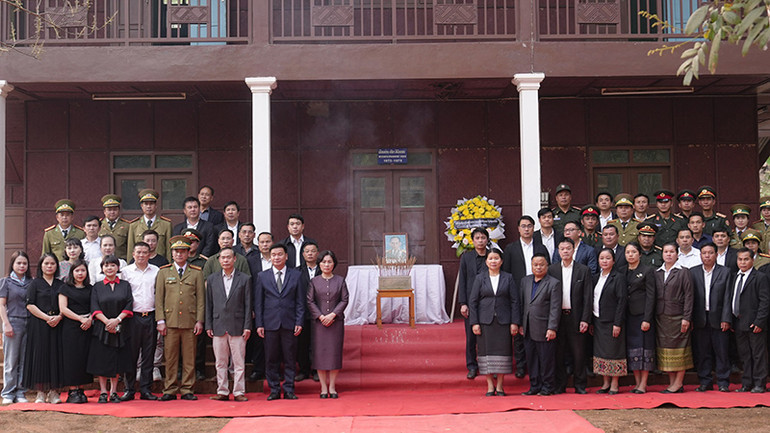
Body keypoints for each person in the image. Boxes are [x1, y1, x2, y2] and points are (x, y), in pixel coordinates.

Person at [155, 235, 205, 401]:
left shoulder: (197, 273)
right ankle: (169, 389)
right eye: (176, 251)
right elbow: (159, 299)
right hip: (170, 322)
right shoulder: (163, 272)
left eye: (183, 251)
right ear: (172, 253)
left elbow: (200, 300)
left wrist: (199, 320)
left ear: (188, 253)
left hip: (190, 322)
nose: (179, 254)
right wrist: (160, 320)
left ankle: (187, 389)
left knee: (189, 357)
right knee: (170, 358)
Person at [254, 243, 305, 400]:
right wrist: (259, 324)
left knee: (290, 357)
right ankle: (274, 389)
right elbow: (259, 303)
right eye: (274, 255)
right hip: (270, 324)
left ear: (286, 256)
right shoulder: (263, 276)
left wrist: (299, 321)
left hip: (290, 323)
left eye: (280, 254)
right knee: (271, 358)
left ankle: (289, 388)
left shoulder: (296, 275)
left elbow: (300, 301)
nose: (277, 257)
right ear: (270, 258)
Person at [503, 216, 549, 378]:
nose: (527, 229)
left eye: (529, 226)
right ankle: (521, 365)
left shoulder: (541, 247)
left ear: (533, 227)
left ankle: (537, 366)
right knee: (520, 329)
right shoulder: (510, 248)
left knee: (537, 329)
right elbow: (507, 273)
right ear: (518, 229)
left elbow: (547, 268)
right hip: (519, 292)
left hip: (540, 290)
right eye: (523, 226)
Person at [469, 248, 519, 397]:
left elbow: (515, 301)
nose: (493, 261)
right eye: (490, 259)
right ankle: (490, 386)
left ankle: (500, 386)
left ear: (501, 261)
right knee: (486, 354)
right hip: (485, 321)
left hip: (504, 321)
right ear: (486, 262)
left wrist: (514, 322)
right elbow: (473, 302)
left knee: (503, 353)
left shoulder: (508, 278)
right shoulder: (480, 278)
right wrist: (474, 322)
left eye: (496, 258)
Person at [206, 247, 253, 402]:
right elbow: (209, 304)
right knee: (220, 362)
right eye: (223, 258)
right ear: (219, 260)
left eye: (228, 257)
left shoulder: (244, 278)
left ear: (235, 259)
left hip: (238, 325)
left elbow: (248, 304)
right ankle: (223, 391)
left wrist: (247, 326)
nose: (225, 260)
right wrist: (209, 325)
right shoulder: (212, 279)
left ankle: (239, 392)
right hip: (218, 325)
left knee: (239, 362)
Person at [548, 238, 592, 395]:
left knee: (579, 353)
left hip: (576, 316)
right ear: (558, 251)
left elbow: (588, 297)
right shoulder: (552, 270)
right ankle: (560, 384)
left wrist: (585, 319)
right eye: (562, 249)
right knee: (558, 353)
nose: (565, 251)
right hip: (558, 317)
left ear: (573, 250)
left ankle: (580, 384)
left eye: (568, 248)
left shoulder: (583, 270)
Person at [87, 255, 133, 404]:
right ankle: (103, 392)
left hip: (121, 326)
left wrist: (117, 320)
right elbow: (94, 307)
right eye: (106, 265)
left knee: (117, 361)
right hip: (102, 328)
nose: (109, 268)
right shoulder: (97, 287)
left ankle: (113, 392)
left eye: (113, 265)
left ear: (118, 267)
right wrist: (108, 322)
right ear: (102, 268)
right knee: (102, 360)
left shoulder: (125, 285)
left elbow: (129, 304)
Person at [689, 243, 733, 392]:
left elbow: (728, 297)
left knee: (721, 352)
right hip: (700, 318)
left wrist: (726, 318)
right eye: (704, 253)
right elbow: (690, 298)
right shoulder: (693, 272)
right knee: (703, 352)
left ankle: (723, 381)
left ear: (716, 255)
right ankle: (705, 381)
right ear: (700, 255)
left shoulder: (725, 272)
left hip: (719, 318)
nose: (707, 256)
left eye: (710, 253)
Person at [120, 242, 160, 401]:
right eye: (138, 252)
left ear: (149, 254)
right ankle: (129, 389)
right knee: (130, 355)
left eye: (145, 252)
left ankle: (145, 389)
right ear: (133, 254)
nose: (142, 255)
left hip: (150, 316)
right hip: (131, 317)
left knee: (148, 355)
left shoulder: (156, 271)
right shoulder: (126, 271)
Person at [307, 250, 349, 399]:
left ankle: (332, 386)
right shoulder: (314, 281)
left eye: (329, 262)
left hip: (336, 322)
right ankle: (323, 388)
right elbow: (310, 301)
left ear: (334, 264)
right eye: (324, 262)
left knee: (334, 354)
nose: (326, 264)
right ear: (319, 264)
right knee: (320, 354)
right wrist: (320, 316)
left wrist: (333, 315)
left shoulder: (340, 280)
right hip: (319, 324)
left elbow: (344, 299)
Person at [517, 252, 561, 396]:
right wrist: (521, 324)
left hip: (544, 328)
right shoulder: (525, 281)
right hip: (528, 327)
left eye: (541, 264)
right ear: (531, 266)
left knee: (546, 359)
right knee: (532, 359)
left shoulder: (553, 283)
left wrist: (552, 328)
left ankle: (548, 387)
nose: (538, 267)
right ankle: (534, 386)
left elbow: (555, 307)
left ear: (547, 266)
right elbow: (522, 304)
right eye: (535, 265)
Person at [24, 253, 64, 404]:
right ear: (41, 265)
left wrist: (59, 316)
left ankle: (54, 392)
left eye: (52, 263)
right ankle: (40, 392)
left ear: (56, 266)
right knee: (40, 356)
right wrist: (47, 318)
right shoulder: (35, 284)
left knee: (55, 355)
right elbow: (30, 305)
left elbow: (65, 305)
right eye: (46, 263)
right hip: (39, 324)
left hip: (57, 324)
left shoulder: (61, 284)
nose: (49, 266)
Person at [654, 243, 694, 393]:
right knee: (667, 352)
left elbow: (689, 296)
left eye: (672, 252)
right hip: (661, 318)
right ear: (662, 254)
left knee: (680, 350)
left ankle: (678, 382)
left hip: (678, 317)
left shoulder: (684, 272)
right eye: (666, 252)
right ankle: (672, 383)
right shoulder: (657, 272)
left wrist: (687, 317)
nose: (669, 254)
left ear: (677, 254)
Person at [729, 248, 770, 393]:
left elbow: (765, 302)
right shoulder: (734, 276)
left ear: (752, 260)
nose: (742, 262)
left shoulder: (760, 277)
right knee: (745, 355)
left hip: (754, 323)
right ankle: (747, 383)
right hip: (739, 322)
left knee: (758, 355)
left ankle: (760, 383)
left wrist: (759, 321)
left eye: (746, 259)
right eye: (740, 259)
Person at [620, 243, 656, 394]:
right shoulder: (622, 271)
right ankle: (636, 383)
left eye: (633, 252)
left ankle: (643, 383)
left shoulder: (647, 271)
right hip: (628, 315)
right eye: (628, 252)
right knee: (633, 350)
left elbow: (651, 296)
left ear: (640, 254)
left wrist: (647, 318)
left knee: (644, 349)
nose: (630, 255)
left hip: (642, 315)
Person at [591, 248, 627, 394]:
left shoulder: (618, 277)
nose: (604, 261)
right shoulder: (595, 277)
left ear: (613, 261)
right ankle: (605, 383)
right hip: (599, 320)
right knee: (601, 352)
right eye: (602, 258)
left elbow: (621, 302)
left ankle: (614, 383)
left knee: (614, 352)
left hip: (612, 321)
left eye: (607, 258)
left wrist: (617, 323)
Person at [58, 260, 93, 403]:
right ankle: (72, 390)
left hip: (87, 327)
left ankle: (81, 389)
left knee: (84, 358)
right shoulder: (65, 288)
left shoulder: (91, 288)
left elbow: (96, 305)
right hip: (71, 327)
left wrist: (90, 319)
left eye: (83, 270)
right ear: (72, 272)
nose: (80, 273)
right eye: (77, 271)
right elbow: (63, 309)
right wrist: (80, 319)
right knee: (71, 359)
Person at [0, 251, 32, 404]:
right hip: (13, 321)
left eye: (24, 263)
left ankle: (20, 391)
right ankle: (8, 392)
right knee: (11, 360)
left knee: (24, 359)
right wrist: (6, 324)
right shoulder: (6, 282)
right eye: (18, 263)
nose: (21, 266)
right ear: (12, 264)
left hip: (29, 322)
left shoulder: (31, 282)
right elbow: (1, 304)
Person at [458, 227, 489, 380]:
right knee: (471, 337)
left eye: (483, 238)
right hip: (471, 302)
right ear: (473, 240)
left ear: (487, 240)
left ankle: (489, 366)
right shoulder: (466, 257)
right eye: (477, 238)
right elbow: (462, 281)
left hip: (489, 302)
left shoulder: (493, 256)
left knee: (488, 336)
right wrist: (463, 303)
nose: (480, 241)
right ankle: (471, 366)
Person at [127, 189, 173, 261]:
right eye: (146, 204)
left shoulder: (166, 225)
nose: (148, 206)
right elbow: (130, 249)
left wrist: (169, 266)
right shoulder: (134, 225)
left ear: (156, 205)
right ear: (142, 206)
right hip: (140, 263)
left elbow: (169, 249)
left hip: (160, 263)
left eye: (151, 204)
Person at [296, 241, 320, 382]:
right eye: (307, 251)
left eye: (313, 251)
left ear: (317, 253)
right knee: (302, 343)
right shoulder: (297, 272)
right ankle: (303, 370)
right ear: (303, 254)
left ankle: (317, 369)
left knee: (317, 343)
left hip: (319, 313)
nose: (310, 254)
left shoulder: (324, 270)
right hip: (303, 312)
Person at [98, 194, 131, 261]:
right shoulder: (98, 224)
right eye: (109, 210)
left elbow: (130, 246)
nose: (112, 212)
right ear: (104, 211)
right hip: (102, 261)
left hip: (121, 261)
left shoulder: (127, 226)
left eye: (115, 209)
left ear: (119, 210)